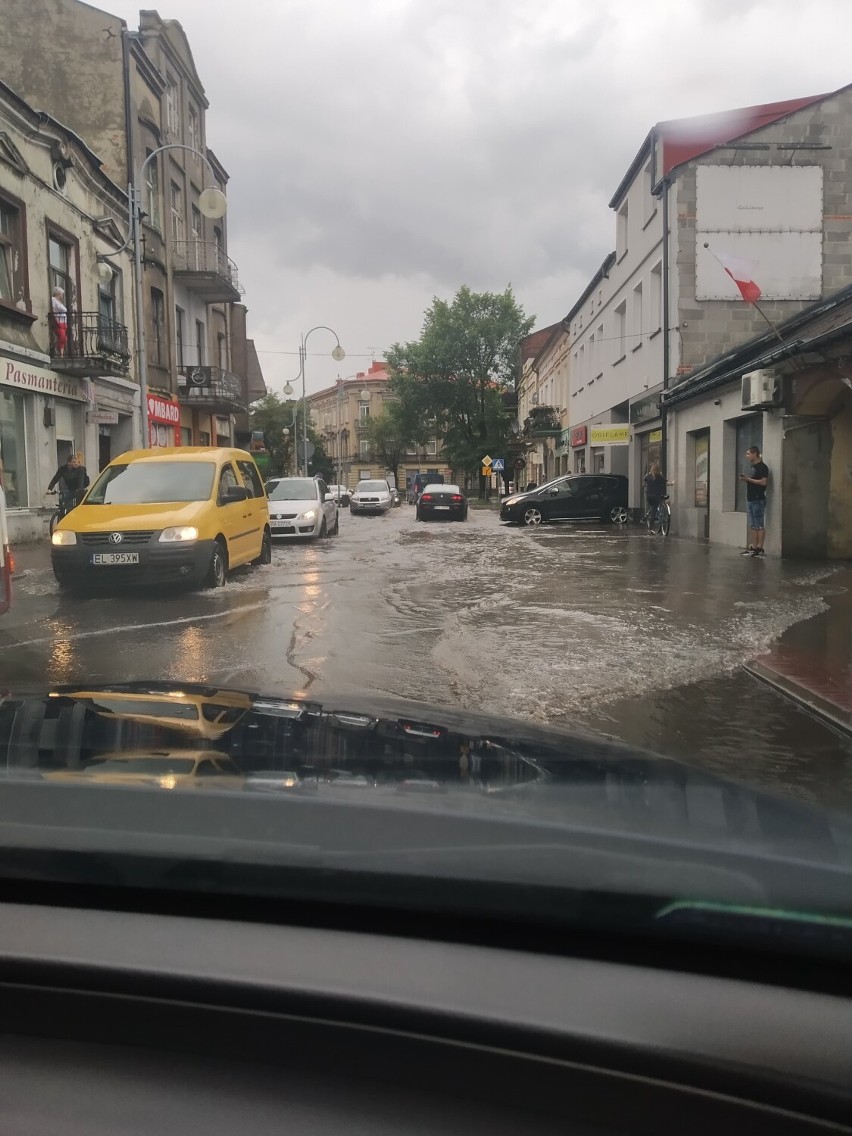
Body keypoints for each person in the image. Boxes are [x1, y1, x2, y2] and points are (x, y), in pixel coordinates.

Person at [740, 446, 769, 557]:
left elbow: (764, 482)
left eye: (748, 453)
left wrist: (748, 479)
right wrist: (745, 479)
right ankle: (753, 547)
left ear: (754, 454)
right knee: (752, 524)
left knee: (759, 524)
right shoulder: (753, 467)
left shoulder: (762, 467)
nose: (746, 456)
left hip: (758, 499)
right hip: (750, 499)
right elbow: (753, 480)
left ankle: (760, 548)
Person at [643, 462, 668, 528]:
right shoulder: (660, 477)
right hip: (656, 496)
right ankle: (651, 525)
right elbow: (666, 482)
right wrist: (672, 483)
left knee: (653, 507)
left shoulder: (648, 476)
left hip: (649, 496)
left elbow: (644, 480)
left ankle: (648, 515)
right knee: (655, 508)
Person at [51, 287, 67, 354]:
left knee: (64, 338)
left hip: (64, 322)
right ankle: (59, 353)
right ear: (58, 294)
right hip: (59, 322)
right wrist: (56, 319)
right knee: (61, 337)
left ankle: (61, 353)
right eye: (62, 294)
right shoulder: (53, 299)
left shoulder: (59, 302)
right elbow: (53, 310)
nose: (62, 296)